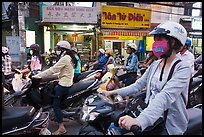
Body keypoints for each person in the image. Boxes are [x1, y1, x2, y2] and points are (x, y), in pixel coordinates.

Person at [100, 21, 191, 135]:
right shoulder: (155, 65)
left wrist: (140, 121)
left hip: (168, 125)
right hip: (149, 115)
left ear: (173, 42)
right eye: (155, 40)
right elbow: (138, 85)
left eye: (160, 40)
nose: (156, 44)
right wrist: (111, 92)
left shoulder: (183, 68)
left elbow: (165, 96)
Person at [32, 40, 77, 135]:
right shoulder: (69, 58)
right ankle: (60, 116)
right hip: (67, 82)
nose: (57, 50)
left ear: (63, 49)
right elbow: (62, 71)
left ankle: (61, 128)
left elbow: (52, 69)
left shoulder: (65, 58)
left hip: (64, 85)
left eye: (58, 48)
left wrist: (38, 76)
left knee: (55, 105)